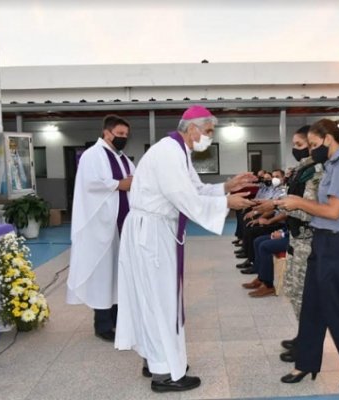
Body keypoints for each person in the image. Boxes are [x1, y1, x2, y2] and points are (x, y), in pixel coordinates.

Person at [114, 105, 255, 393]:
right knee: (159, 300)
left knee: (155, 298)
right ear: (192, 129)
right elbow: (183, 198)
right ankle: (163, 374)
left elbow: (195, 190)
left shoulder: (179, 151)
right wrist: (226, 204)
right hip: (150, 234)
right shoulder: (168, 152)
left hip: (153, 230)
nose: (209, 138)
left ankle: (156, 360)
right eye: (208, 132)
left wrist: (226, 187)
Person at [275, 118, 339, 390]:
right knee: (311, 307)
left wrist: (298, 203)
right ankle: (305, 364)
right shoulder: (331, 164)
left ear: (330, 138)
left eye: (316, 144)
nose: (313, 149)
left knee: (332, 309)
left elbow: (333, 211)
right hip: (322, 241)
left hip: (336, 243)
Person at [66, 115, 135, 342]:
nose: (123, 138)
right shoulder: (92, 156)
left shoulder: (123, 158)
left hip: (123, 224)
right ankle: (102, 324)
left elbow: (134, 180)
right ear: (107, 133)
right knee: (104, 274)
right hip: (102, 226)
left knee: (120, 273)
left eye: (126, 135)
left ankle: (117, 319)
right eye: (120, 134)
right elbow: (91, 184)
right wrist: (120, 184)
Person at [275, 126, 323, 364]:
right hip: (296, 236)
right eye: (294, 145)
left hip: (309, 239)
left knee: (304, 297)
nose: (296, 150)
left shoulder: (315, 171)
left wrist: (287, 206)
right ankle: (303, 335)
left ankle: (308, 344)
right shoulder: (299, 170)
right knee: (293, 291)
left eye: (300, 145)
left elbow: (314, 210)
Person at [241, 228, 289, 297]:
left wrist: (282, 234)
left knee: (264, 247)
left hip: (295, 238)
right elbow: (290, 223)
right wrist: (280, 231)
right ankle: (261, 278)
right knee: (257, 241)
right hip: (287, 233)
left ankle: (268, 285)